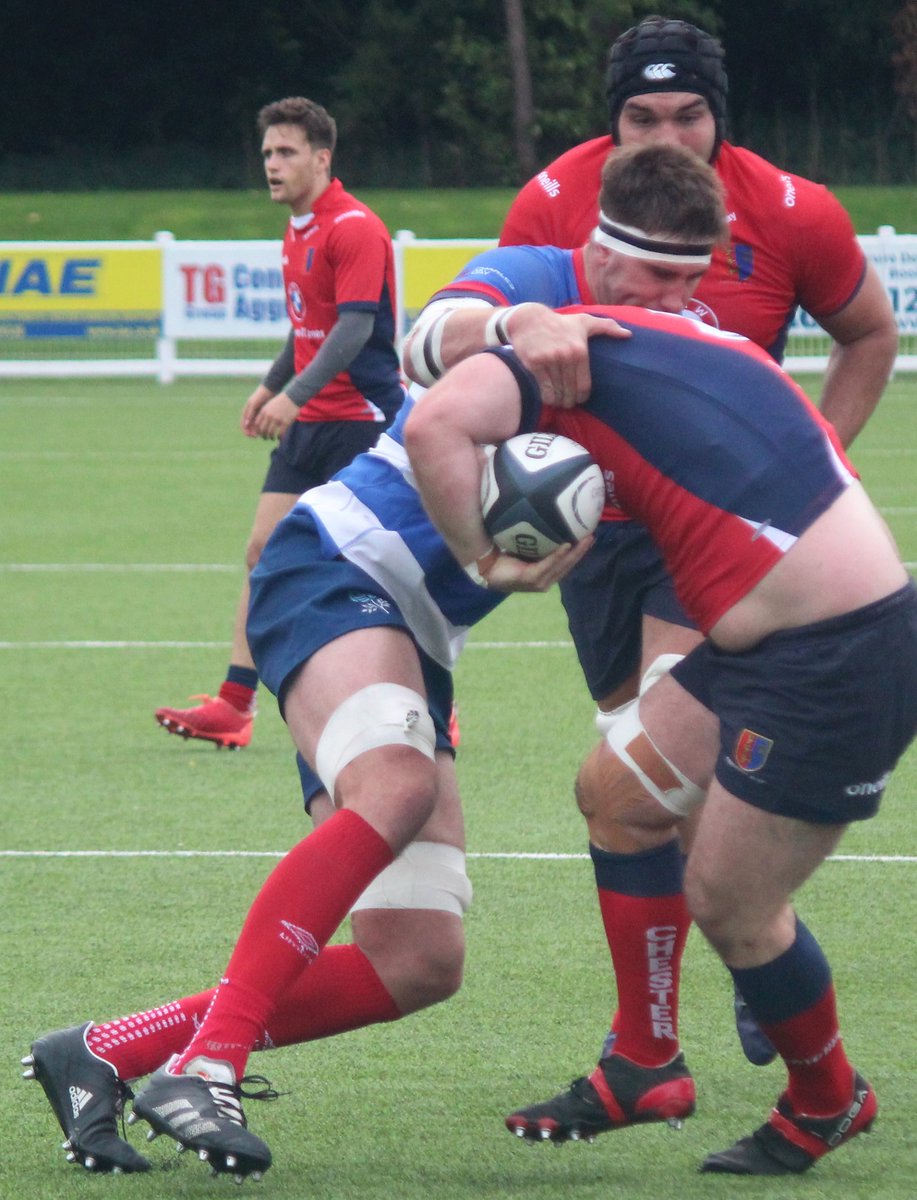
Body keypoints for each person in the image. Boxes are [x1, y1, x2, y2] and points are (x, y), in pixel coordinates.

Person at [21, 144, 728, 1178]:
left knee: (419, 960)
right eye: (653, 274)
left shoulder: (685, 353)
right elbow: (425, 339)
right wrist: (514, 328)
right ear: (598, 249)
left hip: (418, 633)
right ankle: (205, 1066)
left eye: (691, 279)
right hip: (335, 561)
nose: (672, 298)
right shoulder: (538, 277)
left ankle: (101, 1053)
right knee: (393, 786)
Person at [404, 308, 917, 1176]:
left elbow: (430, 426)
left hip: (837, 654)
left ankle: (829, 1099)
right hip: (764, 644)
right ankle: (643, 1064)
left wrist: (483, 559)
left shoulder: (551, 369)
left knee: (731, 904)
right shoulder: (658, 340)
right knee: (618, 796)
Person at [499, 13, 900, 1067]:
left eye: (686, 114)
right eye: (640, 115)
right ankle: (708, 980)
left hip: (715, 540)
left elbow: (867, 332)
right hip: (598, 527)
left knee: (654, 768)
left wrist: (813, 453)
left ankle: (692, 999)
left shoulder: (787, 210)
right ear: (611, 119)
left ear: (719, 115)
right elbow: (501, 331)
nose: (664, 137)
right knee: (635, 762)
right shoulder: (549, 200)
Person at [154, 96, 405, 750]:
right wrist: (272, 387)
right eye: (267, 152)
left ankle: (430, 698)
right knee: (263, 552)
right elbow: (308, 328)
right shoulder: (297, 229)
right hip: (311, 424)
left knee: (376, 569)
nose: (272, 163)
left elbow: (353, 330)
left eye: (287, 152)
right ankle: (235, 706)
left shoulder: (353, 226)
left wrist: (291, 395)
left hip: (362, 423)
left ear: (322, 159)